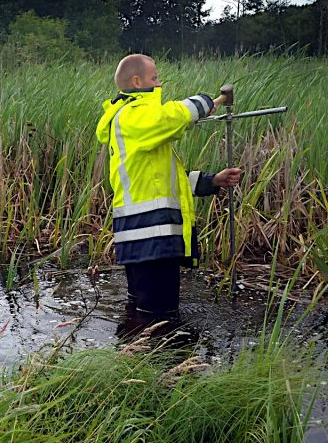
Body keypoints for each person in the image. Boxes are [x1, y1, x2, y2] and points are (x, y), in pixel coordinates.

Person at [95, 53, 241, 316]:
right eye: (155, 78)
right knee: (159, 316)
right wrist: (205, 102)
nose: (160, 83)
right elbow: (170, 117)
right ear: (138, 82)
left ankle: (132, 354)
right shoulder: (133, 116)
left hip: (145, 238)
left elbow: (162, 180)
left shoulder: (139, 126)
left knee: (141, 312)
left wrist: (211, 181)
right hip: (150, 237)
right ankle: (156, 356)